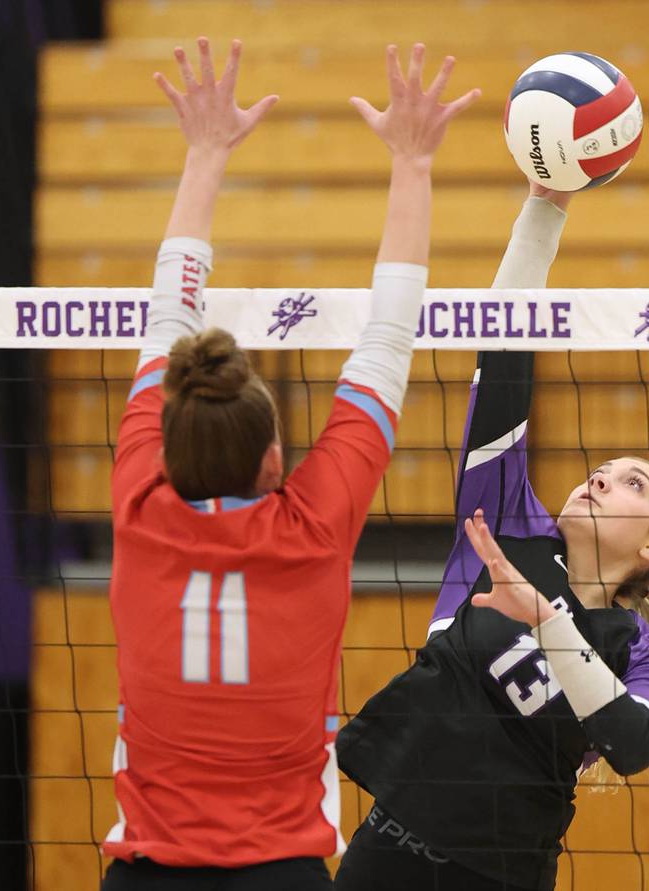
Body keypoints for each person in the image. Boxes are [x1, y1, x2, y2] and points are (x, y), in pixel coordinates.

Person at [98, 36, 480, 891]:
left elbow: (167, 314)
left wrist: (202, 152)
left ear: (169, 442)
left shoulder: (137, 501)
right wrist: (412, 162)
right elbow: (389, 334)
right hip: (281, 872)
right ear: (276, 460)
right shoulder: (311, 526)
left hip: (148, 873)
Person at [334, 183, 649, 891]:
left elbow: (631, 744)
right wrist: (546, 205)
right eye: (601, 468)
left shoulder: (644, 654)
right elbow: (503, 348)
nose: (600, 477)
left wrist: (546, 617)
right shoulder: (503, 522)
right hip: (387, 855)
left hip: (503, 878)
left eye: (632, 483)